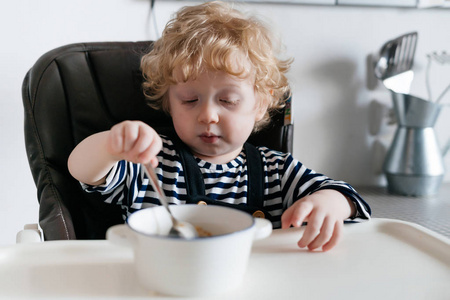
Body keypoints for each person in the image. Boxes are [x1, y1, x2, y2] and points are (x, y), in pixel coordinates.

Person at [68, 1, 370, 251]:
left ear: (259, 104)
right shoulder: (151, 161)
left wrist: (330, 203)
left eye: (227, 100)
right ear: (169, 102)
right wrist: (111, 145)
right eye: (189, 100)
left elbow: (354, 203)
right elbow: (83, 171)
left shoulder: (277, 172)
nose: (208, 115)